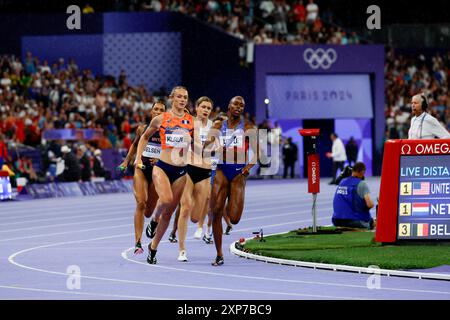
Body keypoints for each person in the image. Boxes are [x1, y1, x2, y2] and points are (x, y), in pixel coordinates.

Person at [135, 86, 193, 264]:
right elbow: (144, 137)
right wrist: (138, 158)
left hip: (181, 171)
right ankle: (153, 220)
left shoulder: (193, 122)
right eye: (179, 97)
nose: (182, 100)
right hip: (162, 167)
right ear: (172, 98)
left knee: (168, 214)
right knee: (166, 200)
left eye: (185, 97)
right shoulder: (161, 119)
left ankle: (153, 248)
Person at [206, 96, 258, 266]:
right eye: (236, 104)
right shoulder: (219, 125)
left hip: (237, 173)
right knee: (215, 212)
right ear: (229, 106)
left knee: (234, 218)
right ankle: (219, 254)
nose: (239, 107)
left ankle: (230, 203)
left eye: (242, 105)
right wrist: (214, 145)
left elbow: (257, 154)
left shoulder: (248, 127)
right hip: (221, 169)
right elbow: (205, 146)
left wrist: (246, 169)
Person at [119, 101, 166, 254]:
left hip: (158, 172)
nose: (158, 111)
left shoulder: (169, 132)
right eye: (156, 109)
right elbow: (134, 144)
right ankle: (138, 243)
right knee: (141, 203)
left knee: (148, 211)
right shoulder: (142, 128)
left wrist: (161, 160)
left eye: (161, 110)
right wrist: (127, 160)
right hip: (141, 169)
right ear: (151, 112)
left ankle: (153, 222)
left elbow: (175, 153)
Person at [176, 96, 214, 262]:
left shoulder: (214, 127)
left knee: (195, 216)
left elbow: (216, 148)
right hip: (188, 168)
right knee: (185, 208)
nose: (205, 110)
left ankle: (198, 224)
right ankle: (182, 250)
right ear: (197, 108)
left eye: (208, 108)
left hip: (205, 171)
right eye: (203, 107)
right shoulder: (189, 122)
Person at [332, 162, 375, 229]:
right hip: (353, 221)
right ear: (363, 172)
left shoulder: (342, 182)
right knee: (372, 223)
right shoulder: (361, 184)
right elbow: (370, 204)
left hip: (336, 220)